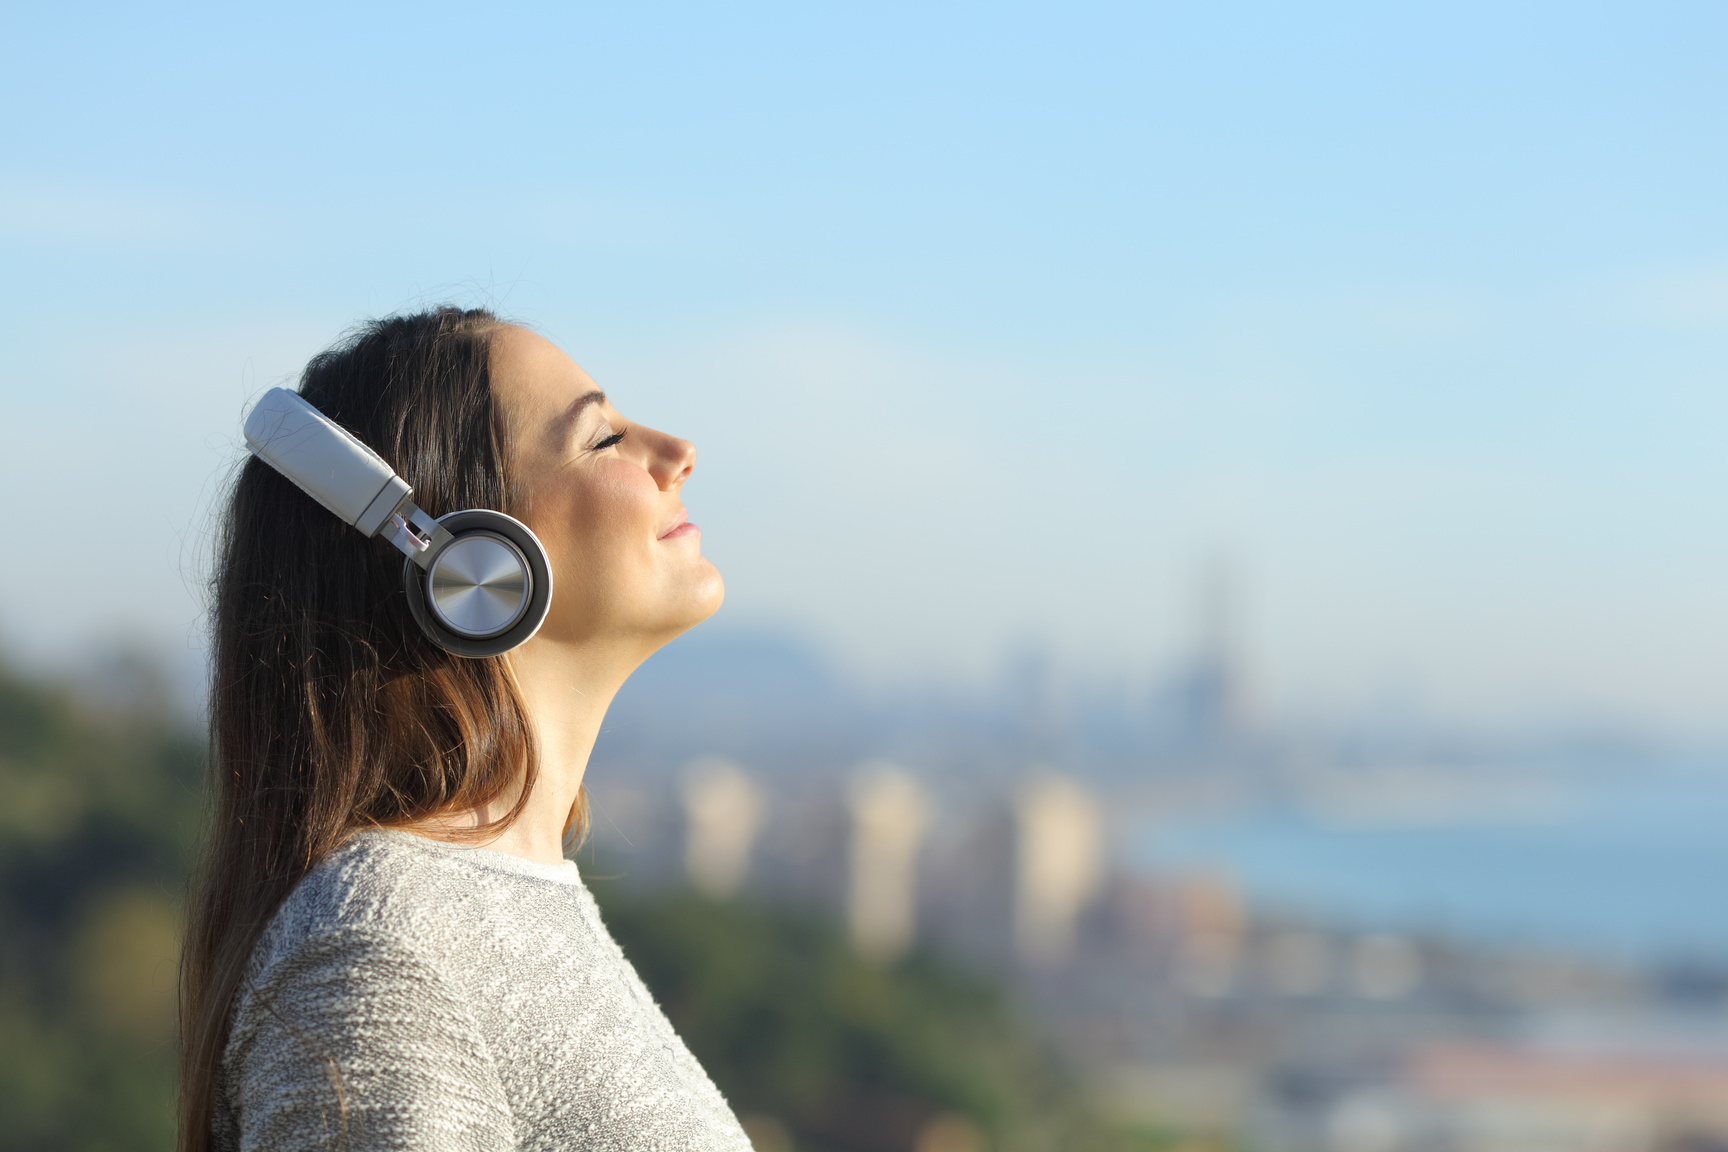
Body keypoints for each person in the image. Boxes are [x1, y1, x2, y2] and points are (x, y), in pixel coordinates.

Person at [178, 308, 747, 1152]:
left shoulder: (498, 903)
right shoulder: (378, 945)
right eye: (602, 440)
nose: (676, 452)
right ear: (468, 563)